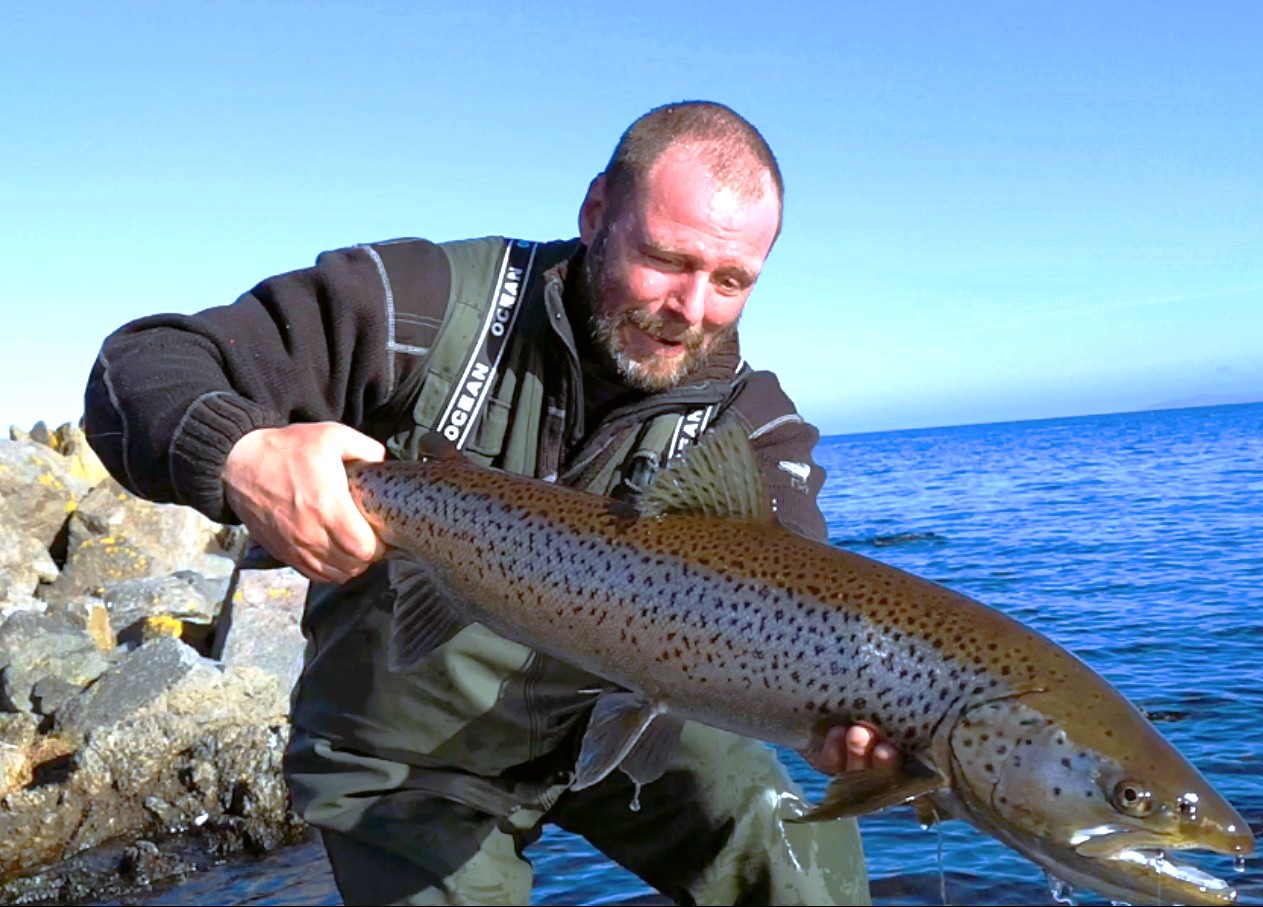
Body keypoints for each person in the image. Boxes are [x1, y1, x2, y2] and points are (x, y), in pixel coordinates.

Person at [84, 100, 896, 905]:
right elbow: (139, 366)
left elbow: (802, 603)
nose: (690, 309)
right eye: (665, 258)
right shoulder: (422, 303)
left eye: (730, 281)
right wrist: (241, 451)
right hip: (409, 758)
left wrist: (831, 719)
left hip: (633, 724)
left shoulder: (756, 427)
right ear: (596, 211)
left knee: (808, 873)